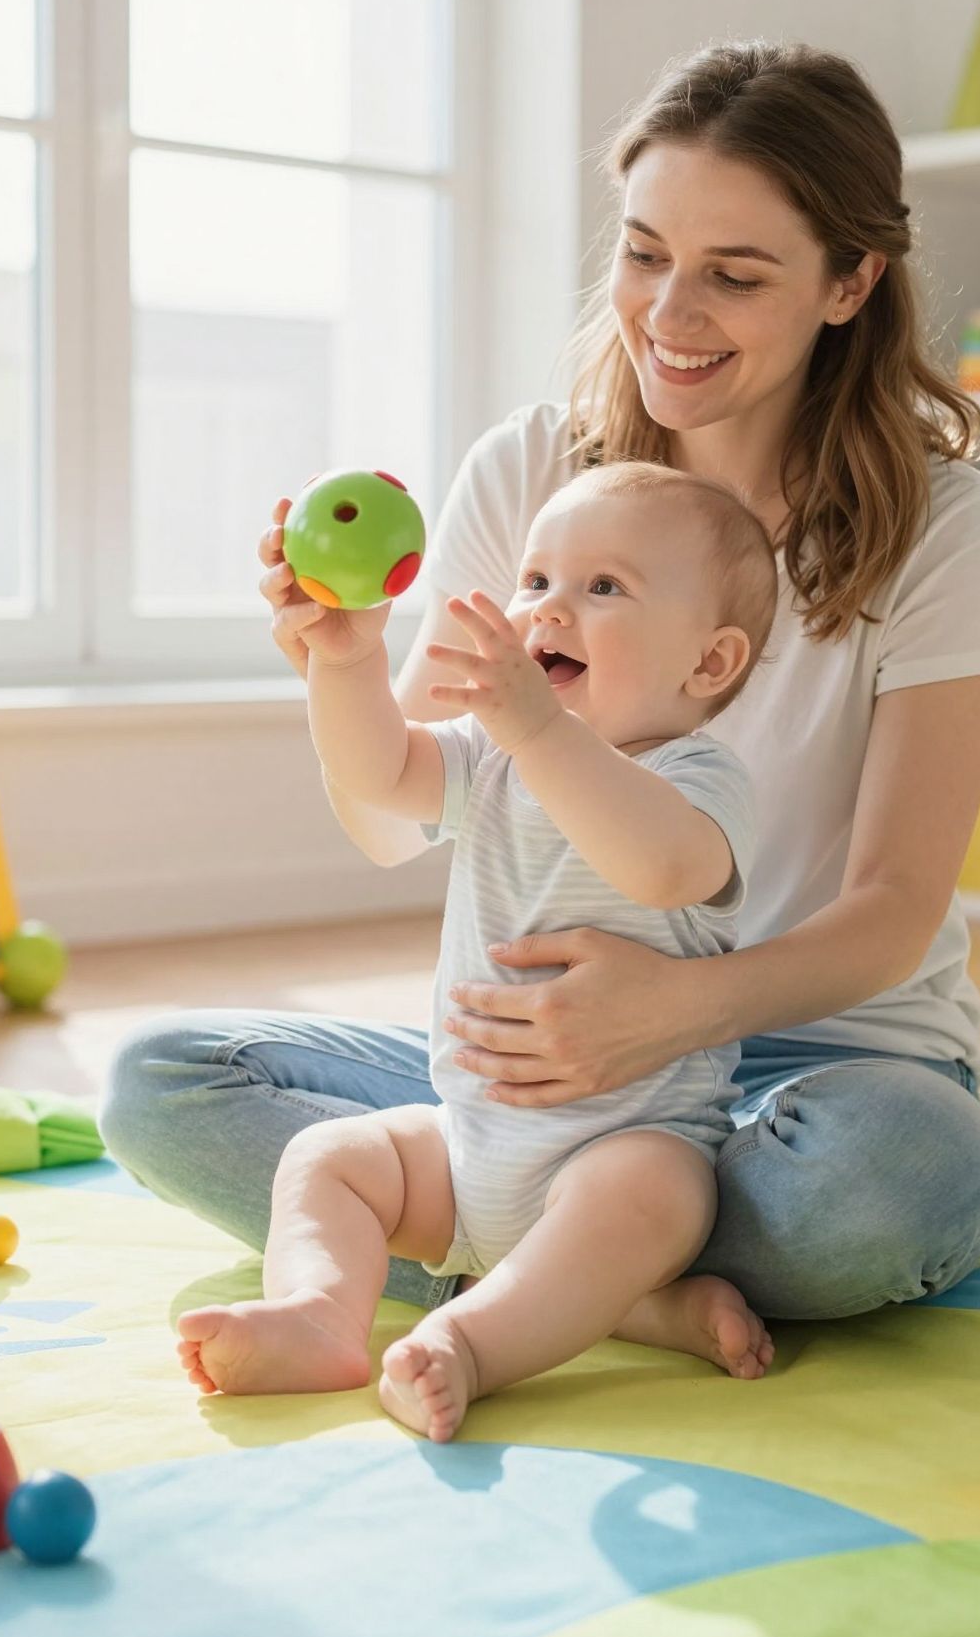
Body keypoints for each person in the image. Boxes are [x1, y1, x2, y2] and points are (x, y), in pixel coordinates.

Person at [100, 38, 980, 1351]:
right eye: (646, 253)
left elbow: (890, 915)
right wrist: (342, 662)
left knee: (894, 1191)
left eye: (734, 274)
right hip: (531, 1074)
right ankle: (622, 1285)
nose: (668, 312)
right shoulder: (537, 470)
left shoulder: (940, 522)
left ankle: (522, 1257)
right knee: (165, 1085)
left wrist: (671, 1010)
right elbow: (394, 816)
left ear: (850, 282)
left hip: (821, 1065)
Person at [176, 463, 779, 1437]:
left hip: (620, 1141)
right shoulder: (496, 751)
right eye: (536, 580)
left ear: (708, 664)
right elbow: (382, 771)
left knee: (655, 1196)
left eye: (604, 587)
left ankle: (472, 1341)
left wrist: (537, 725)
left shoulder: (698, 776)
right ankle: (318, 1313)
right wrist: (347, 660)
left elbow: (663, 864)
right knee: (331, 1155)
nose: (548, 610)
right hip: (467, 1144)